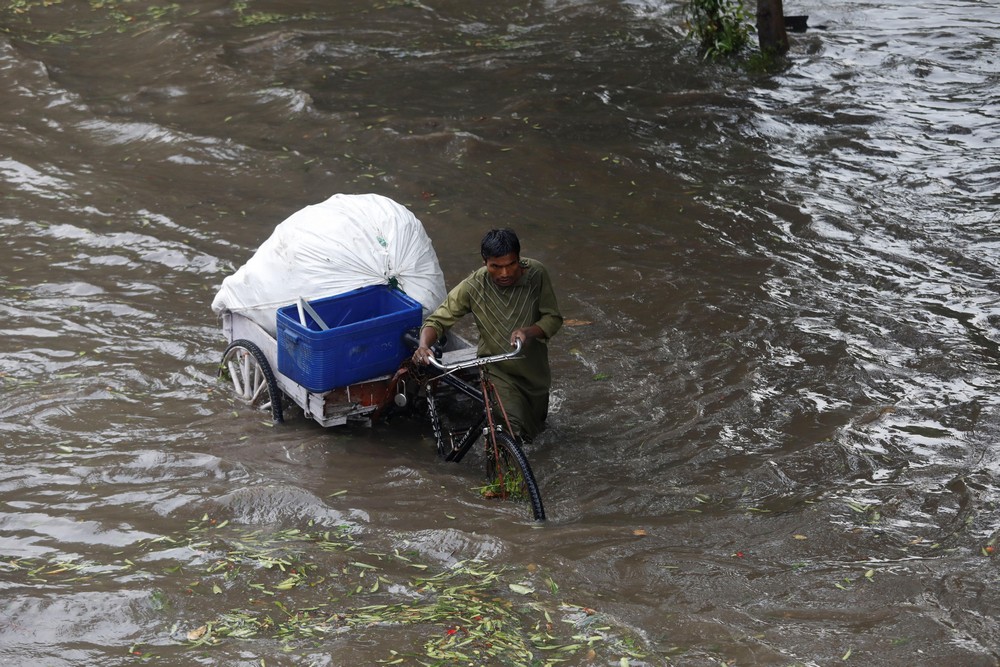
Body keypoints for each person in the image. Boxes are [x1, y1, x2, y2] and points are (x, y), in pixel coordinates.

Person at [411, 228, 563, 440]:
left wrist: (528, 332)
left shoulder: (537, 274)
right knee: (511, 429)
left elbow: (553, 318)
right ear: (485, 263)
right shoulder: (474, 286)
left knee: (536, 432)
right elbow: (437, 320)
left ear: (519, 259)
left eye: (511, 264)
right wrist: (424, 345)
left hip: (534, 372)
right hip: (497, 369)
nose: (505, 273)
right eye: (496, 267)